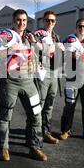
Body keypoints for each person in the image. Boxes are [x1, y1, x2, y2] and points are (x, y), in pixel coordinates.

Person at [0, 9, 48, 162]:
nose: (21, 23)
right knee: (5, 117)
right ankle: (3, 149)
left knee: (36, 114)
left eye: (24, 20)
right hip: (10, 81)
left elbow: (45, 54)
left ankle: (34, 147)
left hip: (28, 81)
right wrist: (9, 52)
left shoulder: (31, 37)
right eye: (18, 20)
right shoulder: (5, 37)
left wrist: (35, 44)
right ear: (13, 21)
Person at [31, 11, 64, 145]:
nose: (50, 23)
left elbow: (59, 54)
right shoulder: (38, 34)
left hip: (54, 73)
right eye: (47, 20)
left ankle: (46, 132)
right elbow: (36, 49)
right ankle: (34, 134)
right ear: (43, 21)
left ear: (55, 22)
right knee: (39, 104)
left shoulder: (56, 36)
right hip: (42, 73)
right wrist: (54, 47)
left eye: (52, 21)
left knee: (49, 105)